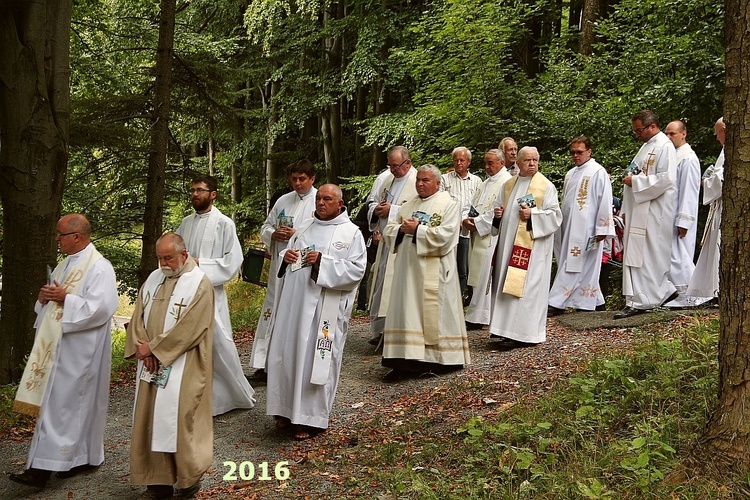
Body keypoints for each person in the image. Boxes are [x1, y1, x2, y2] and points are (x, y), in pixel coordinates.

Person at [10, 215, 118, 489]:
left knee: (65, 407)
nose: (56, 240)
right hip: (57, 348)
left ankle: (41, 470)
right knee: (62, 406)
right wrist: (43, 298)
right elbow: (51, 306)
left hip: (81, 350)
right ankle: (79, 458)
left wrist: (66, 300)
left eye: (60, 235)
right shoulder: (62, 266)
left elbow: (102, 308)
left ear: (77, 237)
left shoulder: (100, 268)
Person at [265, 184, 367, 440]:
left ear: (340, 203)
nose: (320, 203)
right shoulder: (305, 228)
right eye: (319, 198)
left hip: (324, 309)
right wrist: (286, 258)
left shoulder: (351, 233)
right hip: (295, 306)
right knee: (289, 355)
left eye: (327, 199)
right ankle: (285, 411)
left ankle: (311, 420)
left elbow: (356, 271)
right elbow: (290, 263)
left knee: (316, 360)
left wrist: (322, 261)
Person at [126, 233, 215, 499]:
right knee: (149, 420)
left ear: (184, 255)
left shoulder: (199, 283)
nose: (163, 263)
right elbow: (138, 315)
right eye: (159, 257)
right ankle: (158, 483)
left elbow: (192, 326)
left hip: (184, 363)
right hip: (151, 364)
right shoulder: (154, 279)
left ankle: (189, 479)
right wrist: (144, 347)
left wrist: (155, 348)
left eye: (168, 257)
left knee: (180, 419)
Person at [380, 165, 471, 381]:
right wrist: (402, 229)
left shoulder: (448, 204)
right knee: (407, 314)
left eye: (425, 180)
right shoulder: (409, 205)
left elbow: (447, 237)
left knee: (432, 316)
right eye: (418, 180)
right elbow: (389, 229)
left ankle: (437, 361)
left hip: (434, 273)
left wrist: (418, 230)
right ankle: (402, 361)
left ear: (438, 183)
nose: (420, 184)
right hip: (407, 274)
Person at [176, 174, 255, 416]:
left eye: (200, 190)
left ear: (213, 194)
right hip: (185, 294)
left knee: (218, 345)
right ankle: (192, 396)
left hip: (211, 292)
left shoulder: (224, 224)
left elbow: (233, 261)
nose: (195, 194)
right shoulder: (185, 223)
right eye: (192, 190)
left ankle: (229, 396)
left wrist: (200, 263)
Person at [488, 147, 562, 346]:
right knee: (506, 285)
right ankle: (503, 329)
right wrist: (497, 216)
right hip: (507, 248)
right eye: (527, 160)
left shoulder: (545, 186)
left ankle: (523, 334)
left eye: (535, 160)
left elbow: (555, 216)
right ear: (518, 163)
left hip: (533, 251)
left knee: (527, 289)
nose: (532, 164)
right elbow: (498, 211)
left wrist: (534, 216)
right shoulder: (508, 185)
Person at [249, 160, 317, 378]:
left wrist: (296, 233)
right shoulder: (282, 200)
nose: (297, 183)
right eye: (294, 179)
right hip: (278, 270)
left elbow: (322, 233)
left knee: (293, 313)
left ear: (312, 179)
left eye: (302, 179)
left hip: (301, 267)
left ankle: (289, 367)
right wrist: (273, 235)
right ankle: (264, 364)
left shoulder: (320, 201)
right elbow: (266, 226)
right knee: (272, 310)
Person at [615, 110, 678, 318]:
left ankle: (648, 298)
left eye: (639, 130)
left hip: (654, 211)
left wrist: (636, 182)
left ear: (652, 126)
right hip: (640, 209)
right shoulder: (646, 147)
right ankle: (637, 297)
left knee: (650, 255)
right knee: (637, 254)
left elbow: (666, 179)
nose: (637, 134)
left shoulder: (665, 146)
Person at [548, 136, 614, 314]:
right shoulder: (571, 173)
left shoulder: (597, 171)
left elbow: (605, 201)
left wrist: (603, 228)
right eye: (573, 152)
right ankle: (595, 302)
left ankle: (556, 302)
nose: (576, 156)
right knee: (584, 267)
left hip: (588, 229)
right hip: (570, 227)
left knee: (574, 264)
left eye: (580, 152)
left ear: (589, 152)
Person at [364, 146, 418, 347]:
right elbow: (372, 202)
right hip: (386, 243)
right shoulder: (387, 180)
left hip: (403, 243)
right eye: (390, 165)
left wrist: (393, 210)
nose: (393, 170)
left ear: (408, 163)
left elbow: (419, 209)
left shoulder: (416, 181)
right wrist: (376, 210)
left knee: (396, 286)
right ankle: (379, 329)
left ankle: (395, 331)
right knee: (381, 283)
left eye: (396, 166)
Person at [464, 149, 512, 329]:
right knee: (477, 274)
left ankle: (482, 316)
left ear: (501, 163)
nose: (486, 167)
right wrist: (467, 219)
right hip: (478, 233)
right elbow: (473, 205)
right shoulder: (484, 184)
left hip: (493, 235)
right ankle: (476, 313)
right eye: (485, 162)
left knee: (486, 274)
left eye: (490, 163)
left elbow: (499, 211)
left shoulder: (507, 182)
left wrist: (476, 223)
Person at [661, 121, 702, 308]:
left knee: (679, 256)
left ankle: (692, 294)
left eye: (673, 134)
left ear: (683, 134)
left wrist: (683, 220)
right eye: (667, 134)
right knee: (670, 255)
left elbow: (689, 192)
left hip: (680, 215)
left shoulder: (688, 158)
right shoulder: (673, 156)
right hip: (667, 214)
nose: (669, 137)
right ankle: (676, 293)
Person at [687, 117, 725, 303]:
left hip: (725, 207)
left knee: (720, 247)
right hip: (719, 206)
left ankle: (719, 289)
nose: (717, 138)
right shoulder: (724, 150)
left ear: (724, 130)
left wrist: (706, 182)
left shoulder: (732, 150)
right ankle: (715, 290)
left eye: (717, 133)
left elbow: (722, 180)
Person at [440, 146, 481, 302]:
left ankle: (467, 298)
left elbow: (478, 204)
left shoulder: (477, 181)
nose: (458, 163)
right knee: (451, 264)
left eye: (462, 160)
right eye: (456, 160)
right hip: (451, 229)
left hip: (469, 230)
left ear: (468, 162)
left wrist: (471, 220)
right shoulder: (445, 179)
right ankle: (450, 298)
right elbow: (442, 202)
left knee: (466, 266)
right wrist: (454, 220)